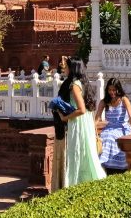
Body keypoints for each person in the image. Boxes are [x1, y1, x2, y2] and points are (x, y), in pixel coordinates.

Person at [56, 57, 106, 187]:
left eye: (66, 67)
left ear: (72, 68)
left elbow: (82, 109)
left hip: (78, 123)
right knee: (86, 152)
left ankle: (75, 184)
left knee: (77, 152)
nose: (64, 69)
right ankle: (87, 183)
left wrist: (65, 117)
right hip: (86, 122)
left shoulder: (74, 85)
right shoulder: (84, 83)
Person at [94, 77, 131, 172]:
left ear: (118, 89)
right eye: (110, 90)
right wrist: (92, 128)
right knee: (103, 137)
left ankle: (107, 163)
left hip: (123, 128)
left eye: (114, 90)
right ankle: (104, 165)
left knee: (110, 137)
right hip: (109, 128)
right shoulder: (104, 102)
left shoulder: (124, 99)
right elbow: (97, 118)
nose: (112, 92)